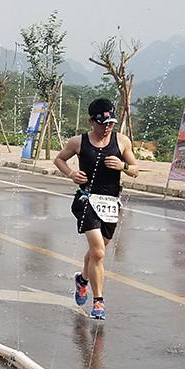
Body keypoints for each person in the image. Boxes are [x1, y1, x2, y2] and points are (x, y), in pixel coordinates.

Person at [54, 98, 139, 320]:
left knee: (97, 251)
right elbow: (59, 159)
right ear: (91, 121)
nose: (107, 128)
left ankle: (82, 279)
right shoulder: (78, 142)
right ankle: (98, 301)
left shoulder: (122, 142)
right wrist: (71, 174)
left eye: (110, 123)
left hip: (111, 203)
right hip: (86, 200)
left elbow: (136, 170)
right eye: (102, 124)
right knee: (99, 251)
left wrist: (124, 166)